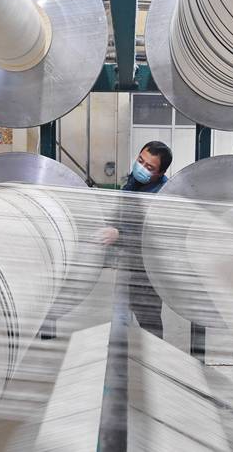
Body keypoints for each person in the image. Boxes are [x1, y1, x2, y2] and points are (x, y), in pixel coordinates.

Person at [101, 141, 173, 338]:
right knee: (120, 316)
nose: (141, 168)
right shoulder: (133, 181)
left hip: (148, 270)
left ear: (161, 172)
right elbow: (122, 214)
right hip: (127, 261)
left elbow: (154, 236)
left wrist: (119, 235)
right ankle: (122, 354)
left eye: (149, 167)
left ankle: (153, 353)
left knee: (148, 319)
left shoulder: (162, 196)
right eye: (140, 160)